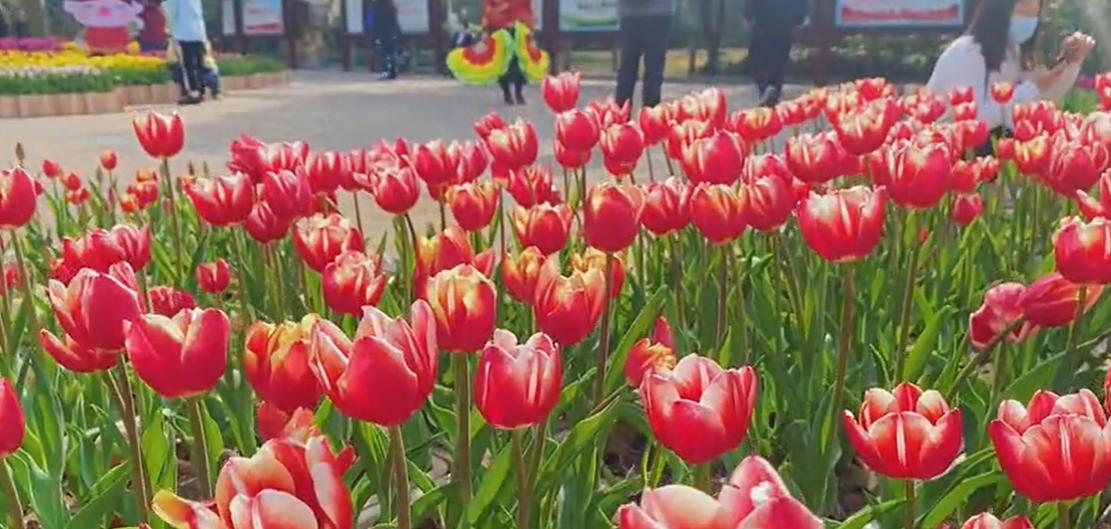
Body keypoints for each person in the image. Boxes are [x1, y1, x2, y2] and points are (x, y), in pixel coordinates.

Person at [927, 0, 1095, 131]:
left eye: (1036, 10)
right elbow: (974, 121)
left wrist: (1072, 63)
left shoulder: (1013, 53)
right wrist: (1033, 88)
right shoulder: (968, 52)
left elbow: (1040, 100)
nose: (1031, 16)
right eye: (1024, 5)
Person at [745, 0, 807, 107]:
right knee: (777, 60)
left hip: (764, 23)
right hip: (781, 24)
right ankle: (771, 90)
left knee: (761, 59)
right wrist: (799, 20)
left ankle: (767, 90)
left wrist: (748, 15)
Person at [614, 0, 675, 110]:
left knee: (627, 69)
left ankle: (620, 117)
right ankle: (650, 117)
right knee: (654, 68)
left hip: (630, 13)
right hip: (658, 12)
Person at [483, 0, 533, 105]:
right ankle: (508, 94)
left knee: (520, 64)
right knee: (503, 65)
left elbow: (527, 9)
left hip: (519, 30)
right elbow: (488, 10)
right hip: (500, 30)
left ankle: (518, 94)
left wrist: (530, 30)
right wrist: (486, 30)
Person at [165, 0, 207, 104]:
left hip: (184, 33)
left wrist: (168, 28)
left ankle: (193, 92)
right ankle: (200, 90)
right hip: (198, 33)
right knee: (198, 63)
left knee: (187, 65)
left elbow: (170, 12)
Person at [371, 0, 402, 80]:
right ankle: (392, 71)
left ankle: (384, 71)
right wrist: (397, 32)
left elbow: (375, 21)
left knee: (382, 53)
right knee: (391, 53)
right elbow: (395, 21)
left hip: (382, 33)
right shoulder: (391, 6)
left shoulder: (377, 6)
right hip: (391, 33)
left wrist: (374, 34)